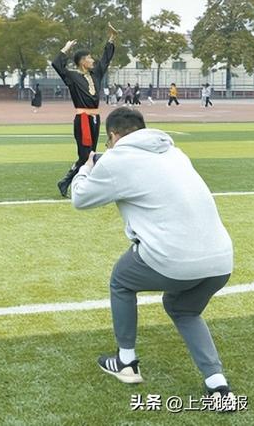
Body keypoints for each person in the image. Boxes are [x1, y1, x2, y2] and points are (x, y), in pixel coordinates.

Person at [71, 108, 234, 402]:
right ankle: (216, 381)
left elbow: (80, 199)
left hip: (173, 257)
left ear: (113, 136)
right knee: (184, 309)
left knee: (121, 281)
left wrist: (86, 167)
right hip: (221, 260)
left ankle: (126, 361)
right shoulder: (175, 152)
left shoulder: (117, 159)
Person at [51, 24, 117, 197]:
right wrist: (66, 48)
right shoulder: (72, 77)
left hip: (95, 118)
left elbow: (105, 59)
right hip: (82, 120)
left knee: (90, 153)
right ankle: (68, 181)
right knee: (85, 155)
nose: (92, 60)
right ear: (81, 61)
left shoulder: (96, 75)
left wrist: (112, 38)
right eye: (89, 58)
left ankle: (71, 182)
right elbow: (57, 64)